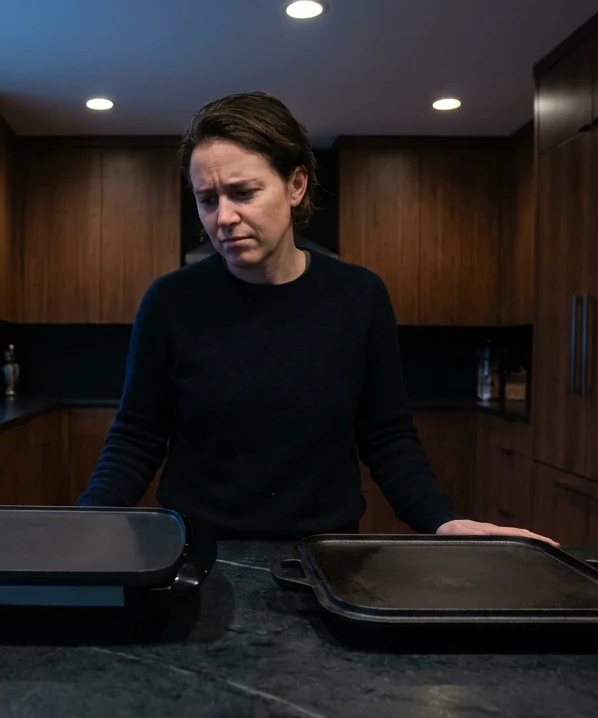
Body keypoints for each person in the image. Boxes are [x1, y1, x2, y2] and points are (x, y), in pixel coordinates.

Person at [78, 91, 557, 545]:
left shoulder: (359, 297)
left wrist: (441, 520)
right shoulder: (170, 301)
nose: (223, 218)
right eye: (208, 199)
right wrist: (85, 524)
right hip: (198, 551)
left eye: (243, 193)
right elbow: (136, 438)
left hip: (326, 551)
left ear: (296, 185)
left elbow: (386, 436)